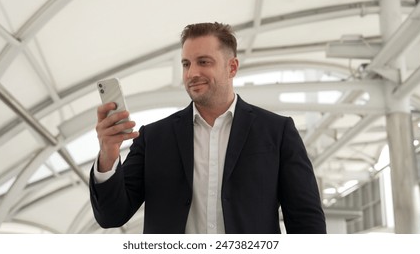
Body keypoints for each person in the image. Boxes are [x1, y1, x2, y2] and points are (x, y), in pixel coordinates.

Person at [89, 22, 326, 234]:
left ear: (232, 68)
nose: (192, 73)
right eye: (186, 64)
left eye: (204, 62)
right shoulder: (154, 138)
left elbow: (306, 221)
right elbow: (112, 216)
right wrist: (108, 157)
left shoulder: (277, 131)